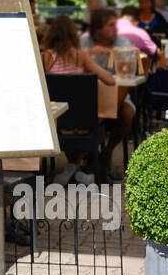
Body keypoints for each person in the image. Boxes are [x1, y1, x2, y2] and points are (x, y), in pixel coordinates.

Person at [41, 15, 118, 184]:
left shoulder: (45, 58)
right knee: (91, 114)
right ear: (74, 35)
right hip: (84, 123)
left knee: (69, 116)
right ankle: (76, 167)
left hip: (56, 122)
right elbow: (110, 80)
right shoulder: (80, 57)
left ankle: (72, 167)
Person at [79, 8, 136, 177]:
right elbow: (74, 69)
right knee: (77, 114)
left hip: (117, 96)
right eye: (110, 25)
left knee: (127, 113)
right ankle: (82, 159)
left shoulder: (123, 43)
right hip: (87, 97)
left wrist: (114, 55)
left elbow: (128, 70)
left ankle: (108, 151)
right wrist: (90, 56)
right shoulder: (84, 43)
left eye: (115, 25)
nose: (115, 29)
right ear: (98, 28)